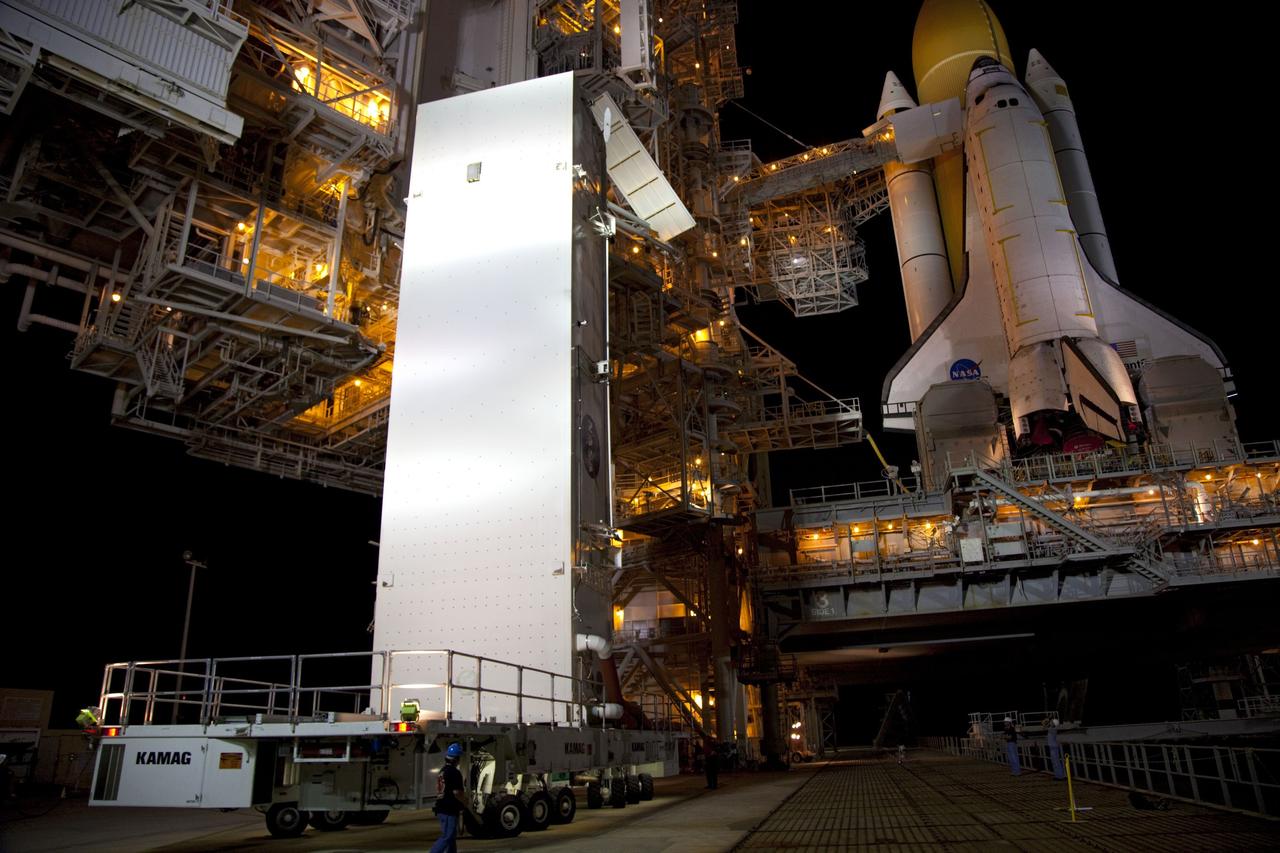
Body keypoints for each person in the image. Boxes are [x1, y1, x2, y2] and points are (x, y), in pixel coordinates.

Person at [432, 742, 475, 853]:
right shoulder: (454, 772)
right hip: (449, 810)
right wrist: (465, 802)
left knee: (451, 837)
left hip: (441, 808)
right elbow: (457, 792)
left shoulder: (442, 771)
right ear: (456, 759)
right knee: (447, 836)